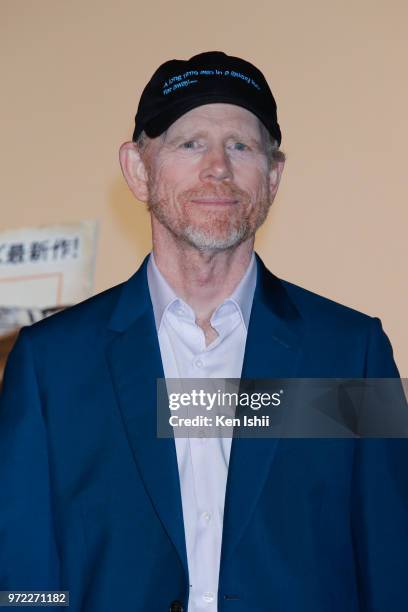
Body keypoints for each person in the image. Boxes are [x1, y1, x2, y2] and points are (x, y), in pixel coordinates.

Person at [0, 51, 407, 612]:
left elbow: (391, 566)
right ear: (139, 170)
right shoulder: (51, 366)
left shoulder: (351, 352)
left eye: (241, 146)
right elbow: (22, 582)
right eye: (190, 143)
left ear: (274, 176)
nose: (218, 167)